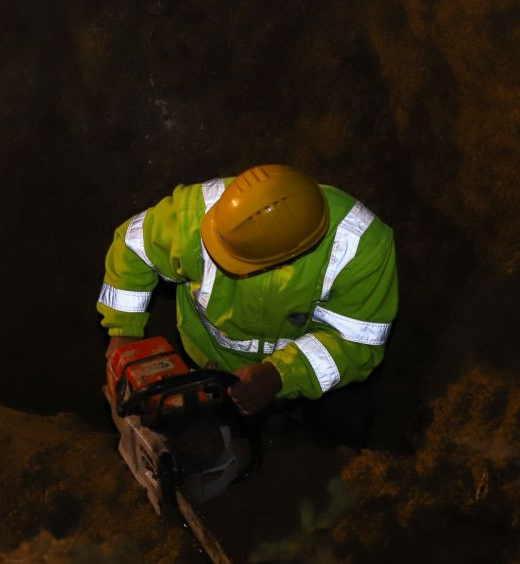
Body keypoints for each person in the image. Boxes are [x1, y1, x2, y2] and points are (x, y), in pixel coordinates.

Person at [98, 164, 397, 446]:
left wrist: (279, 375)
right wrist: (123, 332)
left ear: (288, 259)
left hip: (303, 377)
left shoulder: (360, 247)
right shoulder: (194, 216)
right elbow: (133, 248)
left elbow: (356, 342)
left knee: (345, 419)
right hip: (210, 368)